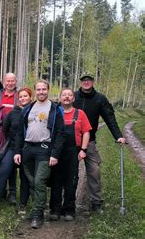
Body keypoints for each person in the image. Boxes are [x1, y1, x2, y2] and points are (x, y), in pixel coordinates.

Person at [73, 72, 126, 214]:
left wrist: (118, 136)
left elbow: (110, 118)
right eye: (84, 80)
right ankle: (68, 201)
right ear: (80, 82)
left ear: (93, 82)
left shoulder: (100, 99)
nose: (86, 82)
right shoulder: (73, 97)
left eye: (89, 79)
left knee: (94, 171)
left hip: (89, 141)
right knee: (69, 171)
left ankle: (96, 201)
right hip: (71, 142)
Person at [20, 80, 64, 229]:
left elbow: (60, 132)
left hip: (44, 149)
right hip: (28, 149)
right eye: (38, 89)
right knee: (32, 182)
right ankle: (35, 209)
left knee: (39, 181)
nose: (41, 92)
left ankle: (38, 215)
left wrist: (55, 154)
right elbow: (21, 130)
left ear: (48, 90)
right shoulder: (29, 108)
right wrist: (19, 151)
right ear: (35, 91)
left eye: (43, 89)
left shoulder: (55, 108)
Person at [50, 88, 92, 221]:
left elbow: (86, 132)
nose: (67, 97)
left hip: (73, 150)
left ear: (73, 99)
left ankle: (69, 209)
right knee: (56, 180)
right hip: (56, 151)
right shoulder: (55, 112)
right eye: (64, 95)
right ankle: (55, 209)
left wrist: (83, 150)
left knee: (71, 181)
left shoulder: (80, 114)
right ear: (60, 98)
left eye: (69, 95)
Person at [0, 72, 19, 205]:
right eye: (8, 81)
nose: (10, 83)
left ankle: (12, 192)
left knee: (12, 164)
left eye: (12, 81)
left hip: (13, 135)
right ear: (4, 82)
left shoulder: (19, 96)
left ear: (15, 82)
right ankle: (1, 190)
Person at [13, 87, 34, 215]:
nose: (23, 98)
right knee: (24, 177)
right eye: (20, 97)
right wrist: (17, 151)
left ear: (30, 97)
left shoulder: (35, 109)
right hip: (24, 148)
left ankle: (37, 203)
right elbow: (18, 134)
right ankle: (23, 204)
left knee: (37, 177)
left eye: (25, 96)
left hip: (38, 147)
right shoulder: (19, 112)